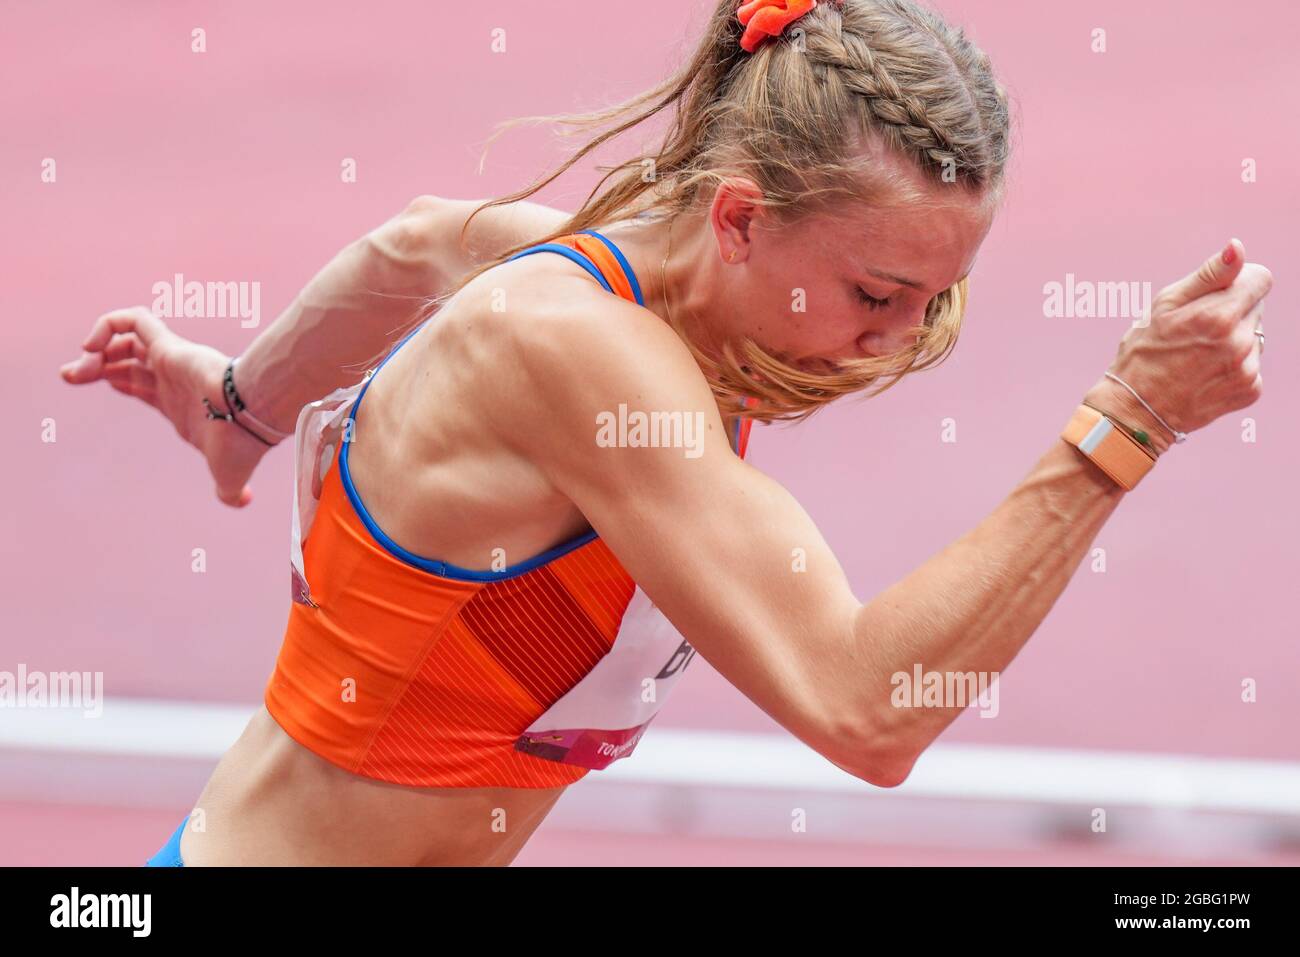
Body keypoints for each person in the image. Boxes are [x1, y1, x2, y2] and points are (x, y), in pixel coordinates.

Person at [61, 0, 1270, 866]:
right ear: (740, 219)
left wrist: (237, 407)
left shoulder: (642, 265)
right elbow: (867, 710)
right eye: (874, 295)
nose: (897, 339)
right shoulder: (580, 353)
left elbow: (424, 239)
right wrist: (1129, 424)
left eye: (933, 299)